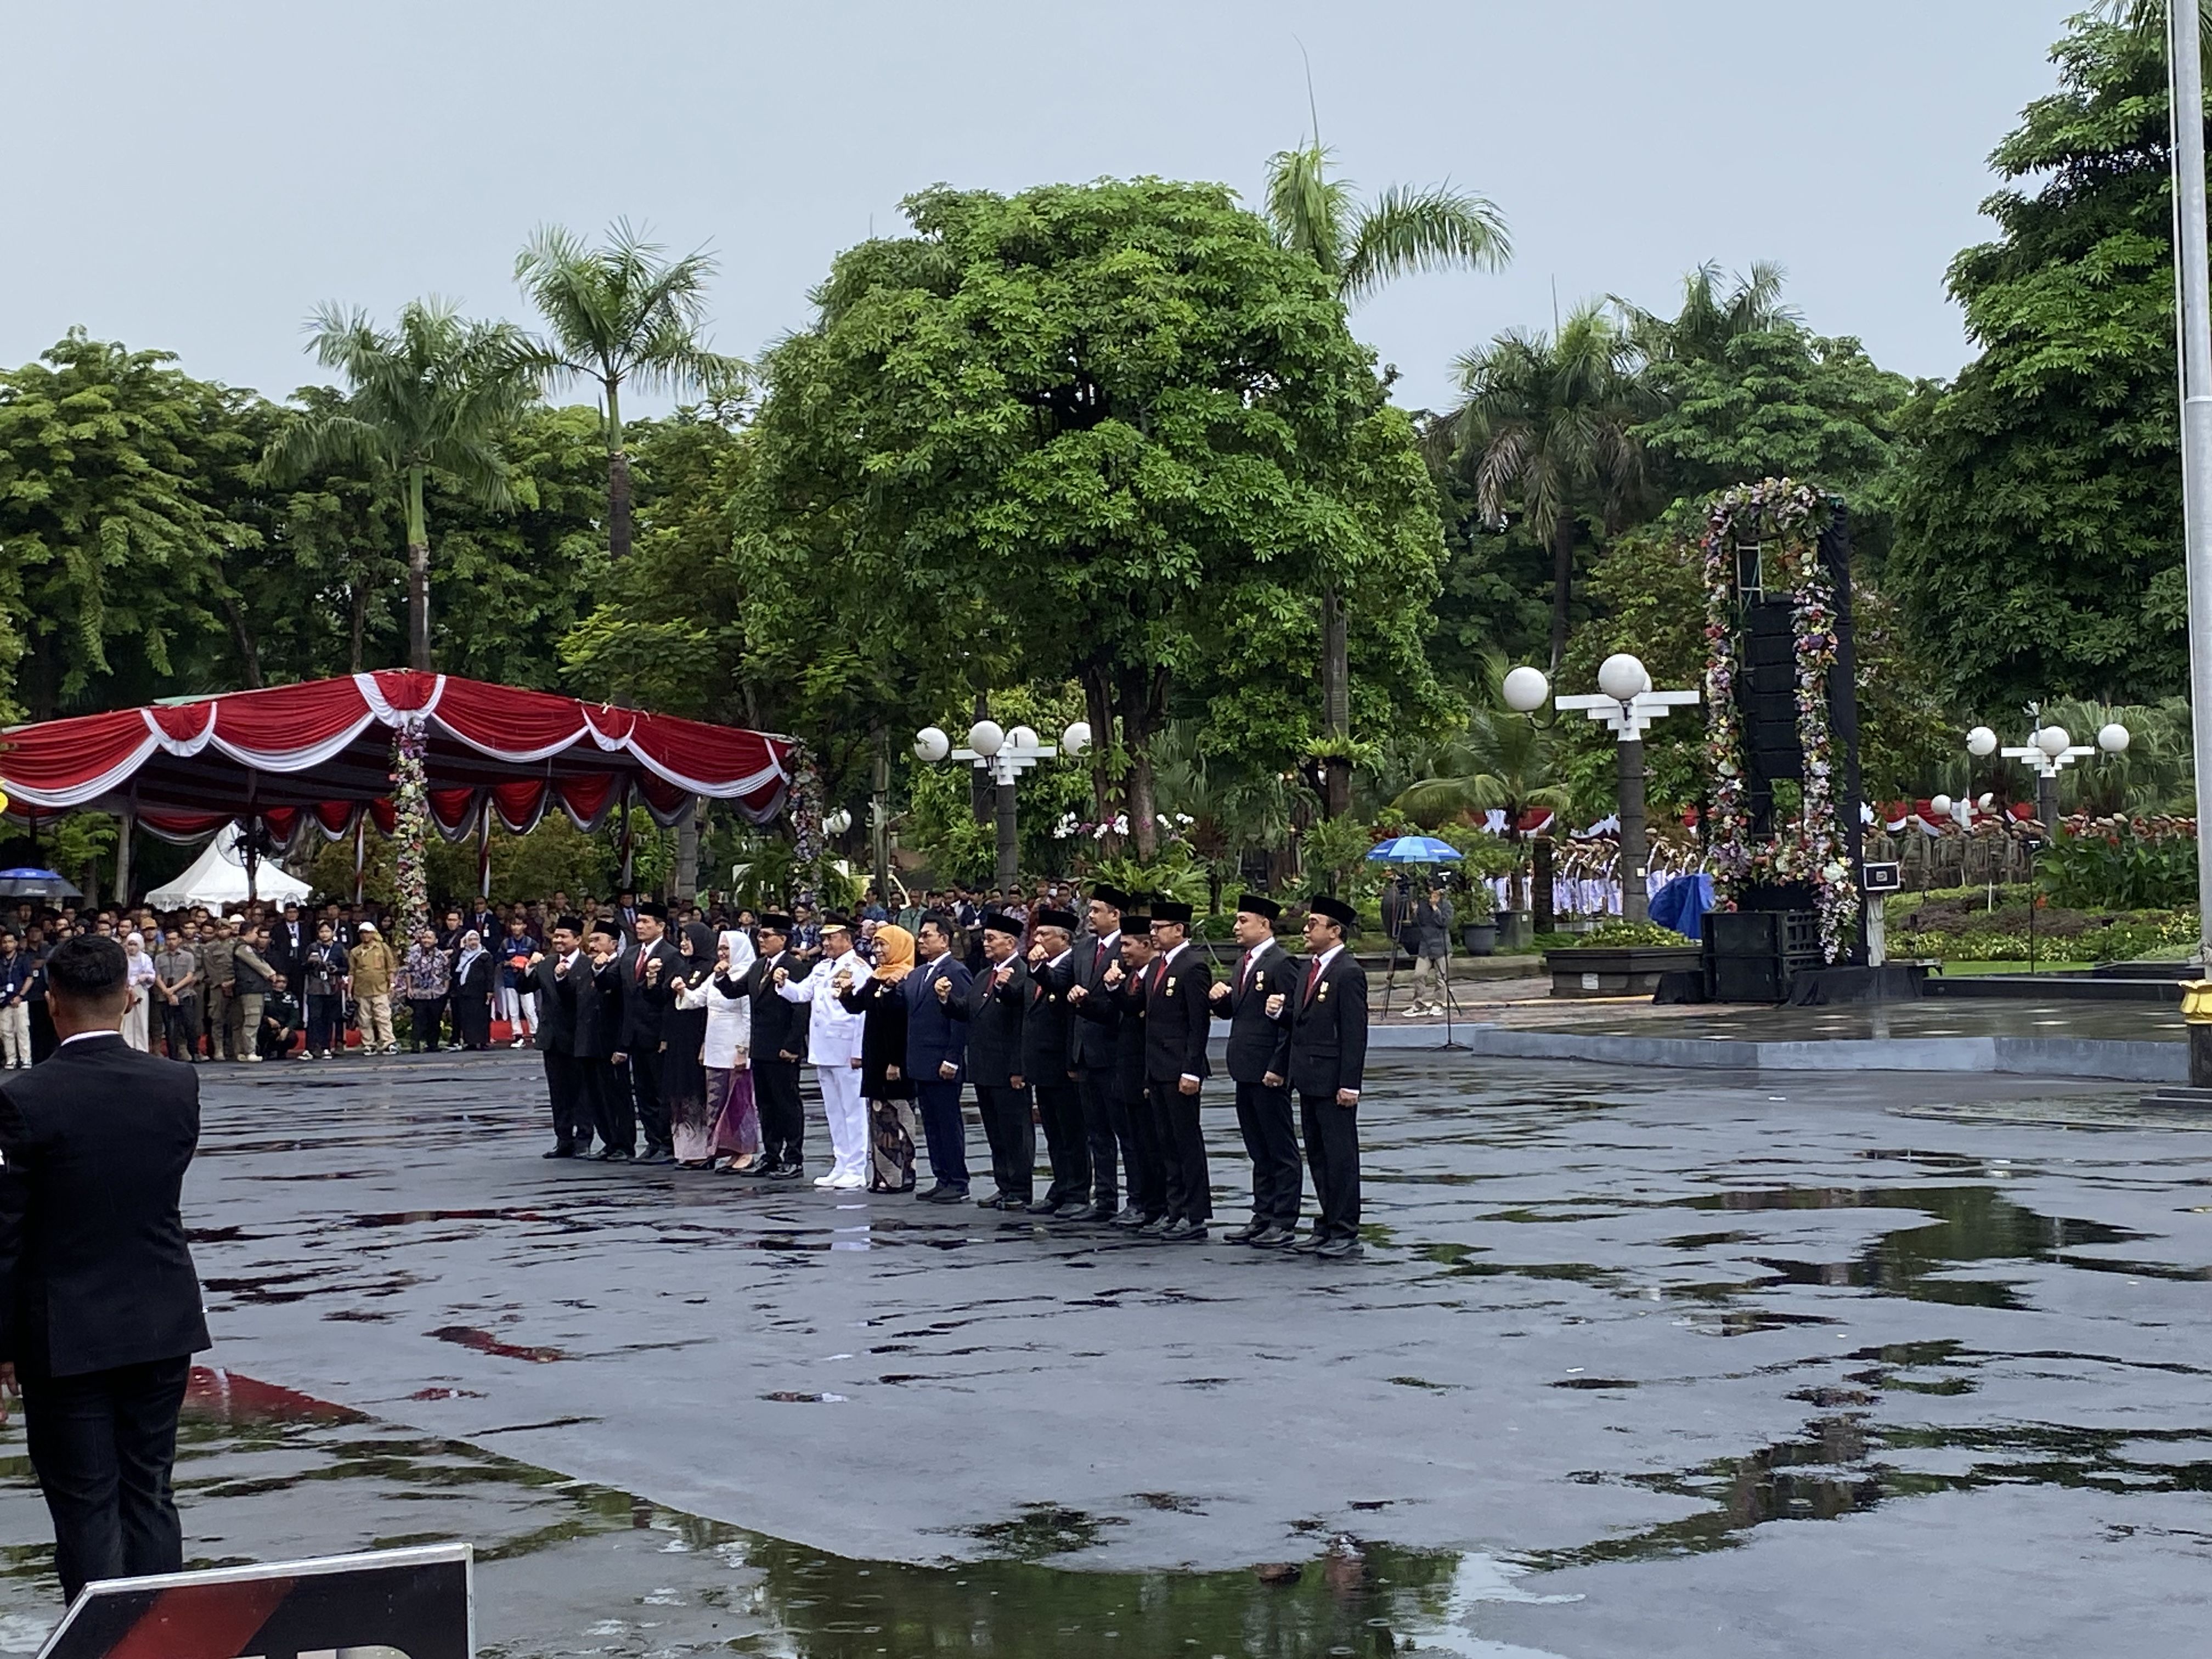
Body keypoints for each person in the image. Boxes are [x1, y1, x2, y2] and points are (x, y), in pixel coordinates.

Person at [0, 936, 211, 1601]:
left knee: (87, 1502)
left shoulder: (26, 1098)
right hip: (160, 1316)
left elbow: (7, 1235)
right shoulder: (176, 1083)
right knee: (149, 1488)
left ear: (52, 1004)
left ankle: (100, 1646)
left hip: (66, 1330)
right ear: (127, 999)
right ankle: (162, 1637)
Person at [1210, 894, 1301, 1248]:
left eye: (1243, 920)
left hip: (1267, 1070)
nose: (1236, 927)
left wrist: (1279, 1067)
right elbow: (1237, 1012)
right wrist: (1219, 999)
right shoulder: (1243, 963)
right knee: (1257, 1148)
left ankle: (1284, 1218)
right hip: (1244, 1067)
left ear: (1264, 924)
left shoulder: (1282, 963)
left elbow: (1290, 1021)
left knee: (1280, 1148)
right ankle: (1262, 1214)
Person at [1284, 895, 1369, 1260]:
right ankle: (1327, 1222)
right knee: (1318, 1155)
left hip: (1334, 1080)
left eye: (1315, 923)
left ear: (1335, 932)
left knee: (1340, 1157)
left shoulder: (1348, 972)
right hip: (1309, 1076)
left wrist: (1350, 1083)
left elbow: (1354, 1033)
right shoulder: (1309, 969)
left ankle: (1345, 1229)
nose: (1307, 929)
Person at [943, 912, 1031, 1210]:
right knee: (995, 1131)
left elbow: (1021, 1024)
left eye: (992, 939)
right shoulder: (984, 975)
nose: (986, 945)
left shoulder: (1023, 972)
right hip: (984, 1066)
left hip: (1008, 1068)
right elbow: (967, 1010)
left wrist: (1019, 1068)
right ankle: (1003, 1184)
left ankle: (1020, 1188)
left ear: (1010, 942)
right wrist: (946, 999)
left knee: (1015, 1131)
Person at [1141, 901, 1214, 1242]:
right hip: (1157, 1067)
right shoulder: (1158, 966)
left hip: (1179, 1068)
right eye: (1152, 929)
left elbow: (1198, 1024)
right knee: (1165, 1143)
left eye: (1159, 928)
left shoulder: (1192, 966)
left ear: (1179, 930)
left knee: (1186, 1143)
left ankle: (1195, 1213)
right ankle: (1175, 1209)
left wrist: (1192, 1070)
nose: (1154, 934)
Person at [777, 916, 867, 1190]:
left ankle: (856, 1167)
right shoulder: (822, 968)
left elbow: (862, 1012)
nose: (825, 943)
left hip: (845, 1047)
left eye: (831, 938)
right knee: (834, 1110)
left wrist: (859, 1050)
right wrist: (783, 983)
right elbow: (802, 994)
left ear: (847, 939)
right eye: (824, 938)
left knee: (853, 1110)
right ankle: (841, 1163)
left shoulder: (857, 967)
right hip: (824, 1047)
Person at [838, 922, 917, 1193]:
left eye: (883, 944)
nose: (878, 950)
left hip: (896, 1058)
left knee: (899, 1119)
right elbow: (857, 1006)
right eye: (876, 944)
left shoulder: (908, 978)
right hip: (875, 1055)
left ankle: (902, 1176)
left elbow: (902, 1022)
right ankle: (882, 1176)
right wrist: (846, 992)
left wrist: (896, 1061)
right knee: (879, 1118)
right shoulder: (877, 977)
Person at [1064, 885, 1127, 1222]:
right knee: (1097, 1134)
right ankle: (1104, 1199)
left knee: (1125, 1132)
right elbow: (1062, 980)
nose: (1090, 916)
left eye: (1097, 911)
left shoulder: (1127, 946)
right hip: (1086, 1052)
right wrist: (1041, 968)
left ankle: (1138, 1201)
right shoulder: (1085, 948)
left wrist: (1087, 1001)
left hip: (1113, 1051)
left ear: (1114, 914)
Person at [1023, 908, 1087, 1216]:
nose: (1038, 939)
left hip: (1064, 1063)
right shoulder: (1043, 967)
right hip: (1043, 1064)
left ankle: (1077, 1190)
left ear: (1063, 938)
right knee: (1054, 1132)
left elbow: (1057, 985)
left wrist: (1037, 965)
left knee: (1072, 1131)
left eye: (1045, 934)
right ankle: (1060, 1186)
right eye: (1036, 934)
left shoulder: (1071, 964)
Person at [905, 915, 970, 1203]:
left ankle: (957, 1179)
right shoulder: (918, 974)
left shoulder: (956, 971)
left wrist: (953, 1057)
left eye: (927, 935)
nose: (921, 940)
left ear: (944, 939)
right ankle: (941, 1176)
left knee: (948, 1122)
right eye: (920, 935)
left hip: (942, 1059)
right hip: (920, 1059)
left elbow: (961, 1018)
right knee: (930, 1123)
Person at [526, 917, 597, 1158]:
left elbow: (581, 998)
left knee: (582, 1091)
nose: (558, 940)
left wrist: (562, 977)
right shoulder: (546, 964)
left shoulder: (588, 965)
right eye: (556, 936)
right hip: (552, 1038)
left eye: (564, 936)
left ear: (578, 940)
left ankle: (584, 1139)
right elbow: (525, 987)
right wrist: (528, 968)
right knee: (558, 1091)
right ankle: (563, 1138)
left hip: (578, 1037)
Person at [617, 904, 680, 1164]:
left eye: (646, 922)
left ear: (661, 926)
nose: (640, 926)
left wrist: (666, 1035)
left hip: (658, 1033)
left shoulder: (671, 955)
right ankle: (653, 1142)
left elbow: (669, 1000)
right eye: (639, 922)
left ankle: (668, 1144)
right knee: (642, 1092)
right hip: (635, 1033)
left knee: (661, 1091)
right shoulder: (631, 954)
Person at [701, 929, 759, 1172]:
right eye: (720, 949)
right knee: (718, 1099)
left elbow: (748, 1017)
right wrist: (681, 990)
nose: (723, 953)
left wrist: (743, 1050)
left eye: (727, 949)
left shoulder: (748, 973)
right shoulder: (718, 975)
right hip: (715, 1044)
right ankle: (728, 1149)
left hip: (735, 1047)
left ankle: (745, 1151)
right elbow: (698, 998)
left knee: (739, 1100)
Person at [663, 924, 718, 1167]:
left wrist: (706, 1041)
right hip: (679, 1040)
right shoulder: (683, 967)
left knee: (698, 1092)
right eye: (682, 939)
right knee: (680, 1090)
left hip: (698, 1037)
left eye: (689, 939)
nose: (684, 944)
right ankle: (686, 1150)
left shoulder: (710, 969)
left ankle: (704, 1150)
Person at [583, 920, 634, 1160]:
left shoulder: (622, 965)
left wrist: (623, 1045)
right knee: (599, 1095)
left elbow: (626, 1009)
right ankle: (609, 1141)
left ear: (613, 944)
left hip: (615, 1041)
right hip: (595, 1041)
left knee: (618, 1095)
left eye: (598, 941)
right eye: (591, 941)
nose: (593, 946)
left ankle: (624, 1143)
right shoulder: (591, 965)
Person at [297, 922, 350, 1060]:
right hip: (315, 986)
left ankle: (326, 1047)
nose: (324, 934)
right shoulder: (313, 947)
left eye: (327, 931)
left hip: (332, 987)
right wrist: (310, 963)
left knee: (328, 1018)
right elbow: (302, 967)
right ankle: (310, 1048)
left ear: (333, 932)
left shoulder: (339, 948)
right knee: (314, 1018)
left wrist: (335, 970)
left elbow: (347, 968)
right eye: (322, 932)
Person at [231, 926, 281, 1063]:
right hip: (251, 988)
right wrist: (271, 973)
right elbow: (257, 963)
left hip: (246, 987)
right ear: (248, 932)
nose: (257, 936)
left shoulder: (242, 946)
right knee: (252, 1020)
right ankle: (250, 1051)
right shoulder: (243, 948)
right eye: (255, 933)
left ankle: (241, 1051)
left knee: (242, 1021)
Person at [348, 923, 400, 1054]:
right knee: (364, 1019)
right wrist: (350, 992)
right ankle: (369, 1043)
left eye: (367, 932)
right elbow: (352, 972)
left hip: (381, 988)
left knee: (383, 1016)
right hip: (361, 990)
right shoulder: (356, 952)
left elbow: (391, 968)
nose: (365, 935)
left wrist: (392, 984)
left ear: (373, 933)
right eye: (362, 933)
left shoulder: (383, 948)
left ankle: (388, 1042)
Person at [1404, 882, 1454, 1017]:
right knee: (1419, 974)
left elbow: (1444, 923)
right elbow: (1417, 924)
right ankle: (1418, 1003)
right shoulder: (1422, 905)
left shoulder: (1447, 906)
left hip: (1441, 945)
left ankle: (1439, 1003)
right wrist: (1414, 911)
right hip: (1426, 945)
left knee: (1441, 978)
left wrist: (1435, 908)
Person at [151, 930, 200, 1063]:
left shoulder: (188, 956)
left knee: (189, 1025)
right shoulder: (160, 958)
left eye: (174, 939)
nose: (171, 942)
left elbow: (190, 976)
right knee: (170, 1027)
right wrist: (167, 992)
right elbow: (158, 977)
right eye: (168, 939)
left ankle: (194, 1052)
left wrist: (173, 990)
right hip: (166, 996)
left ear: (180, 940)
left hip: (184, 994)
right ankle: (173, 1055)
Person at [401, 927, 450, 1053]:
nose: (426, 940)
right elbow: (408, 972)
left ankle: (433, 1044)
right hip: (419, 993)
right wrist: (409, 988)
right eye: (424, 937)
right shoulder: (414, 953)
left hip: (436, 993)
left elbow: (446, 974)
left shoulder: (441, 956)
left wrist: (445, 990)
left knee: (435, 1019)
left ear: (436, 940)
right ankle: (415, 1044)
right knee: (419, 1019)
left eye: (429, 938)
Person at [449, 930, 495, 1051]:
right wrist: (460, 948)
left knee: (481, 1017)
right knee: (467, 1018)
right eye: (471, 940)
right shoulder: (462, 954)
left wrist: (490, 990)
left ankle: (483, 1041)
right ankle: (470, 1042)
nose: (473, 942)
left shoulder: (485, 956)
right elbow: (454, 965)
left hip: (480, 992)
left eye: (475, 940)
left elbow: (490, 974)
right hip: (465, 992)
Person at [499, 916, 540, 1048]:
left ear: (524, 926)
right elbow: (500, 961)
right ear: (510, 927)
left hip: (527, 978)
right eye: (514, 925)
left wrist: (528, 963)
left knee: (529, 1008)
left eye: (519, 924)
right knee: (513, 1009)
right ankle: (517, 1034)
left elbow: (539, 959)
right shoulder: (505, 943)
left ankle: (536, 1033)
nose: (516, 927)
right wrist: (510, 963)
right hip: (510, 978)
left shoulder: (531, 943)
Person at [198, 918, 235, 1063]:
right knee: (217, 1019)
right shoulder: (209, 948)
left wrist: (233, 982)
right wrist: (220, 983)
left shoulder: (237, 945)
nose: (223, 932)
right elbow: (208, 968)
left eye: (225, 928)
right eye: (219, 929)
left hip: (236, 985)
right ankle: (218, 1049)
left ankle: (232, 1048)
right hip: (217, 988)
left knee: (235, 1020)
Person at [120, 934, 156, 1052]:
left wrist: (144, 977)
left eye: (135, 945)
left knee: (141, 1019)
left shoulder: (145, 959)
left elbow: (152, 976)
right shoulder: (123, 958)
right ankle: (128, 1046)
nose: (132, 948)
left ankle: (141, 1048)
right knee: (127, 1019)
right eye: (130, 944)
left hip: (141, 990)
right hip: (126, 990)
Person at [0, 935, 31, 1069]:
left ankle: (25, 1058)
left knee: (22, 1030)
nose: (7, 945)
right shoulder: (0, 961)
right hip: (3, 1000)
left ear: (16, 943)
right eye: (4, 942)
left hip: (20, 999)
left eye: (10, 942)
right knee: (6, 1031)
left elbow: (29, 978)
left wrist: (21, 995)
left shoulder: (23, 959)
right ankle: (11, 1058)